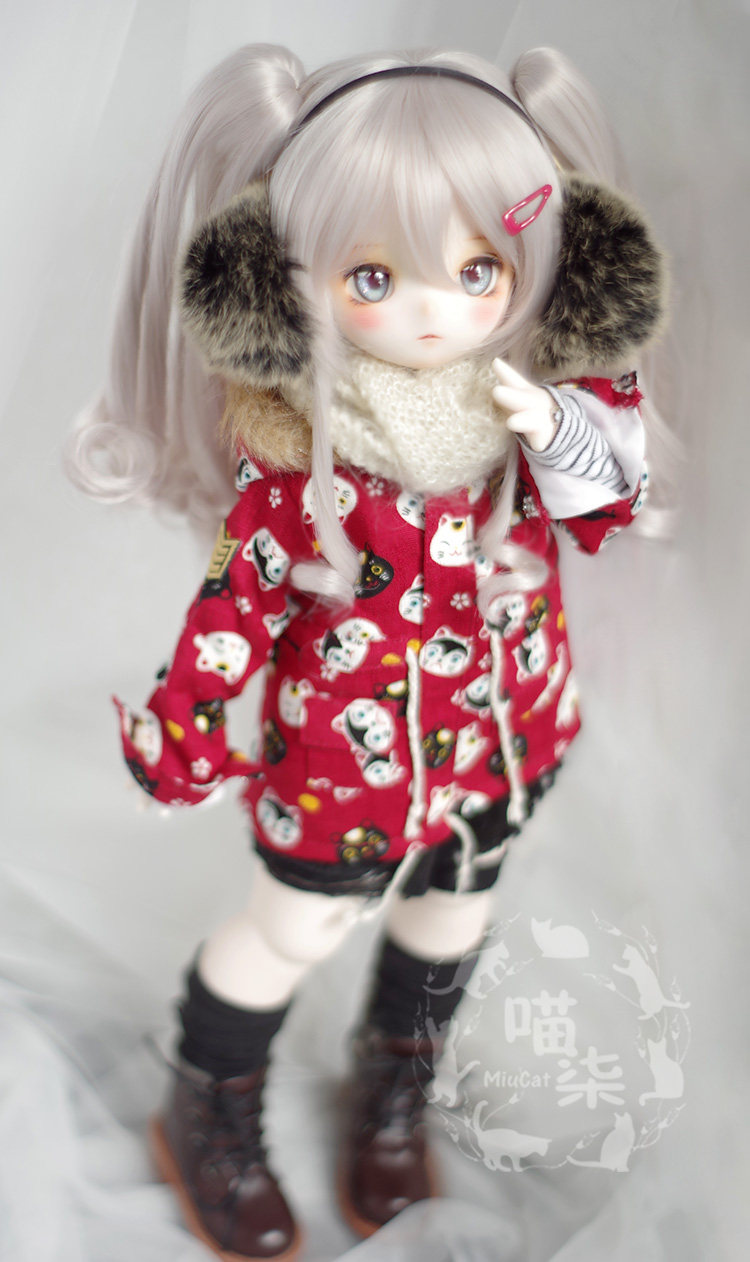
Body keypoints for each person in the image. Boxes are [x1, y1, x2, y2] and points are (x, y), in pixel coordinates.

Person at [69, 43, 666, 1262]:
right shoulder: (302, 468)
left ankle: (394, 1087)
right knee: (292, 930)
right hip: (347, 763)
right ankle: (207, 1101)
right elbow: (232, 609)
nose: (435, 311)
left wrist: (560, 429)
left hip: (502, 726)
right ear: (282, 277)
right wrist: (188, 722)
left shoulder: (532, 412)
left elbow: (607, 508)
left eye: (478, 268)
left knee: (454, 909)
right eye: (377, 275)